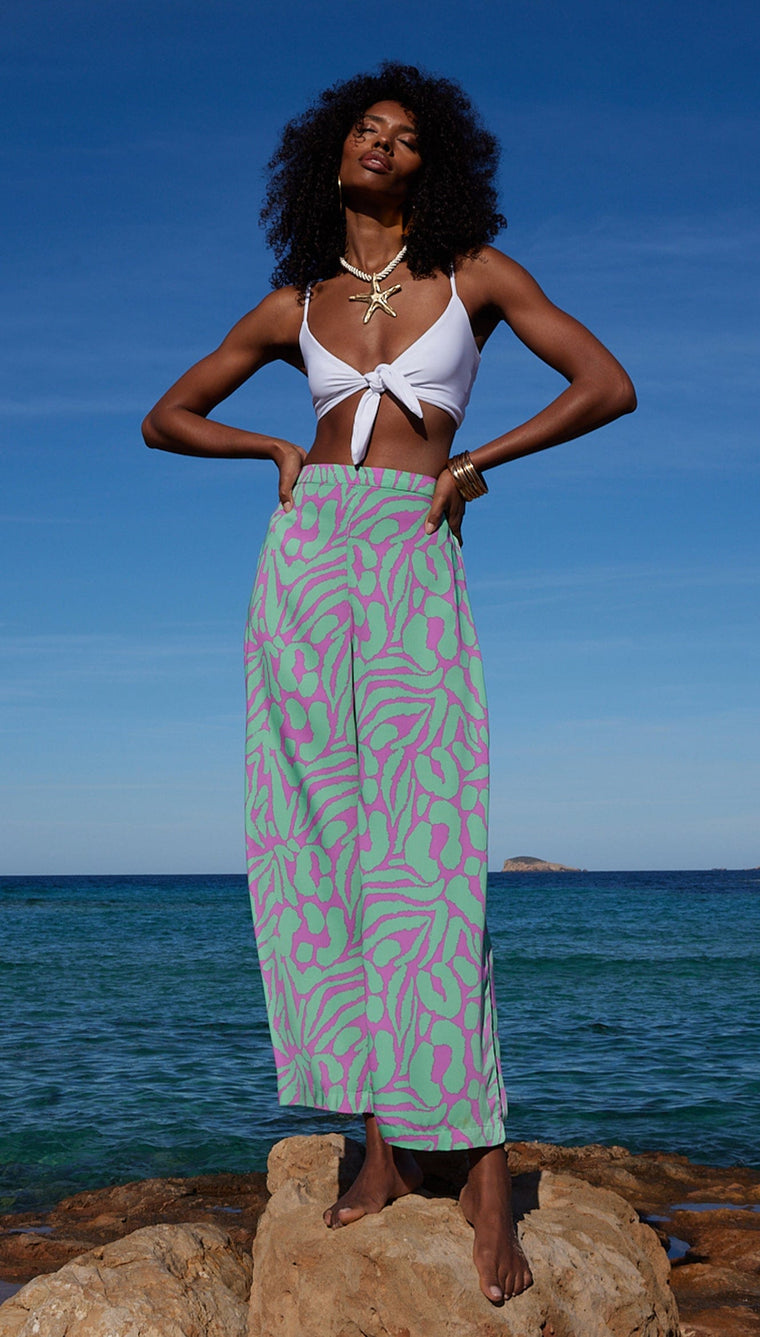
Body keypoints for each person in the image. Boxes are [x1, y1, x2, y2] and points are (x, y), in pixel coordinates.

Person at [142, 62, 636, 1306]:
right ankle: (375, 1141)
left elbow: (604, 384)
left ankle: (479, 1166)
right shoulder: (295, 300)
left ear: (434, 162)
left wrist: (477, 461)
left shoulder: (475, 275)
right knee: (315, 850)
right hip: (305, 557)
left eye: (405, 136)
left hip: (414, 544)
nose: (382, 145)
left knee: (424, 851)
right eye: (365, 130)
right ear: (331, 155)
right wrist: (264, 441)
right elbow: (166, 416)